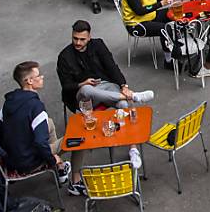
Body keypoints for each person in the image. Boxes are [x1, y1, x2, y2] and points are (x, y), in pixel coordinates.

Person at [57, 20, 153, 193]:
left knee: (123, 104)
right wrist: (81, 83)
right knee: (88, 89)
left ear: (89, 37)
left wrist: (123, 84)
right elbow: (66, 86)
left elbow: (111, 66)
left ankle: (133, 148)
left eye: (82, 39)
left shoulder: (98, 45)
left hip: (105, 88)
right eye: (75, 38)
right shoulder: (64, 56)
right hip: (82, 96)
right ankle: (132, 96)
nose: (78, 43)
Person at [0, 61, 72, 186]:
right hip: (29, 161)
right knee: (77, 139)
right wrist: (52, 160)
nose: (42, 77)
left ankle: (61, 168)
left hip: (12, 157)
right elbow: (40, 143)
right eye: (39, 75)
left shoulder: (9, 101)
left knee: (49, 123)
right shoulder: (36, 107)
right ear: (29, 81)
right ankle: (70, 177)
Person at [121, 0, 177, 65]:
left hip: (149, 16)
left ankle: (176, 47)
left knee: (173, 14)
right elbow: (140, 11)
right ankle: (169, 60)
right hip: (136, 24)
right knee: (166, 28)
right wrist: (161, 3)